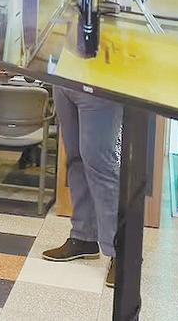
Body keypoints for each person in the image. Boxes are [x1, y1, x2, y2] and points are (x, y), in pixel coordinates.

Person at [42, 86, 122, 289]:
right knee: (75, 160)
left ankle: (120, 253)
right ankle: (83, 236)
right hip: (64, 80)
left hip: (101, 82)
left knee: (101, 163)